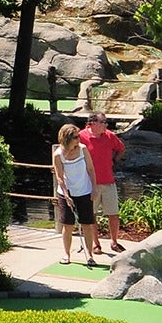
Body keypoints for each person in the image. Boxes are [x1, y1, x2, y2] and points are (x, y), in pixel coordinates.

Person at [52, 123, 101, 266]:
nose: (78, 139)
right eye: (75, 137)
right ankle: (67, 255)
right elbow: (60, 177)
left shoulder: (83, 150)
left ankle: (90, 255)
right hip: (66, 192)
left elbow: (91, 170)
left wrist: (94, 188)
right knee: (67, 225)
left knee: (87, 224)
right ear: (67, 138)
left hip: (84, 191)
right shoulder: (58, 155)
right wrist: (66, 195)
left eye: (78, 136)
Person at [79, 111, 127, 252]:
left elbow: (121, 149)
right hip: (90, 183)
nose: (106, 124)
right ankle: (95, 243)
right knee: (91, 214)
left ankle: (114, 242)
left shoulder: (110, 136)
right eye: (103, 122)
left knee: (113, 213)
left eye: (106, 122)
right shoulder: (82, 136)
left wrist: (113, 160)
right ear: (93, 123)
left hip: (108, 181)